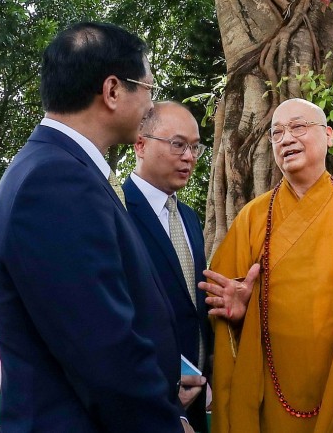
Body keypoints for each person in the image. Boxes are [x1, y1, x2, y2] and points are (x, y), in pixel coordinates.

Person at [0, 22, 193, 433]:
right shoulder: (55, 183)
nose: (151, 103)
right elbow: (102, 349)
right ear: (113, 91)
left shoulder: (60, 168)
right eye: (147, 87)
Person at [199, 98, 333, 433]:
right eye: (277, 133)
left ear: (328, 135)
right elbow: (221, 308)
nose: (286, 138)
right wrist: (241, 314)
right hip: (269, 402)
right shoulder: (251, 220)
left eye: (299, 126)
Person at [123, 101, 211, 432]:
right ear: (141, 144)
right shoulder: (116, 211)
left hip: (196, 396)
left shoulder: (189, 217)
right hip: (146, 400)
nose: (188, 156)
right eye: (177, 144)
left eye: (195, 147)